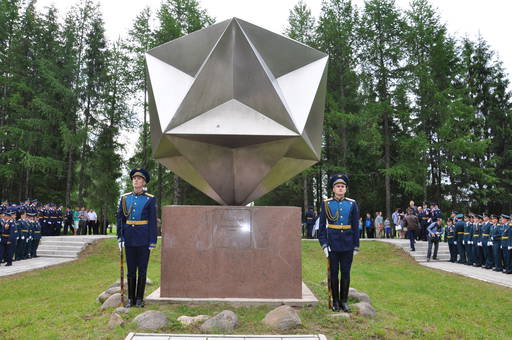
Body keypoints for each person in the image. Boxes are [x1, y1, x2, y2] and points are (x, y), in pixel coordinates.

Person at [318, 174, 359, 313]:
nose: (340, 188)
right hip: (332, 244)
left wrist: (356, 245)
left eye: (343, 186)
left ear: (346, 189)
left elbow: (355, 226)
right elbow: (322, 226)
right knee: (334, 274)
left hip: (347, 243)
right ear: (333, 189)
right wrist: (324, 244)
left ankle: (344, 301)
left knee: (346, 273)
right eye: (338, 186)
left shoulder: (352, 203)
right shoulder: (326, 204)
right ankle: (335, 301)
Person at [117, 167, 157, 308]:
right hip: (129, 238)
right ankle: (131, 299)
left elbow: (152, 221)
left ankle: (139, 299)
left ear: (144, 182)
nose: (136, 180)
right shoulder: (125, 198)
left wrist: (152, 241)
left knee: (142, 270)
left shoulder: (150, 199)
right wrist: (120, 238)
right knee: (131, 270)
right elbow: (120, 219)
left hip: (143, 238)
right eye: (134, 178)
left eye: (139, 179)